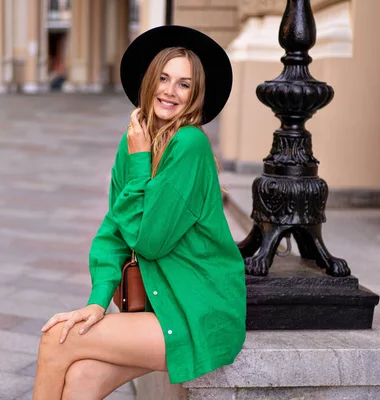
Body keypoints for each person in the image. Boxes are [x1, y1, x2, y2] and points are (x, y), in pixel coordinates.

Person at [32, 25, 246, 400]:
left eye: (184, 84)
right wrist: (98, 301)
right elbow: (113, 232)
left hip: (197, 309)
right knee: (82, 377)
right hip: (160, 305)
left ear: (196, 95)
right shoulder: (134, 142)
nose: (169, 90)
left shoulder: (189, 145)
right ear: (149, 82)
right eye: (163, 78)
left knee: (56, 339)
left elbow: (150, 242)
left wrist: (139, 162)